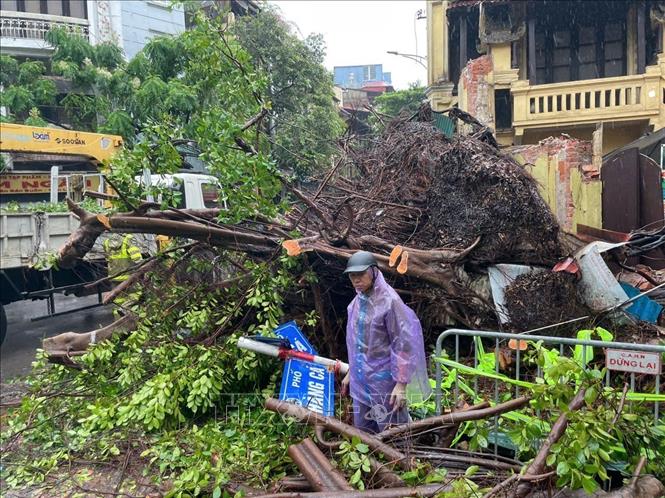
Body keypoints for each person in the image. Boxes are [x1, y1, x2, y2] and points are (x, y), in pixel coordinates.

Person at [341, 250, 431, 433]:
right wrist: (351, 371)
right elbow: (356, 342)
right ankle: (368, 461)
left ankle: (400, 461)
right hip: (361, 379)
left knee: (391, 432)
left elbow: (404, 343)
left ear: (373, 271)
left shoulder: (390, 302)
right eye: (352, 275)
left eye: (360, 274)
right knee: (363, 432)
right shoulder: (358, 302)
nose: (356, 279)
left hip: (385, 382)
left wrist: (401, 384)